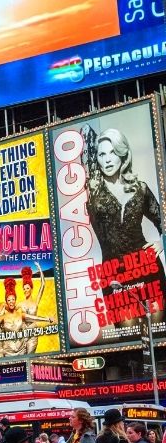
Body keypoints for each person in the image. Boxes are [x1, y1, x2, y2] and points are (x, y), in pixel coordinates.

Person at [84, 127, 165, 325]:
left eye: (113, 152)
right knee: (129, 338)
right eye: (102, 154)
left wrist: (162, 242)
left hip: (147, 267)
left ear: (122, 154)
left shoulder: (140, 189)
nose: (108, 159)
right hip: (113, 274)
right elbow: (86, 135)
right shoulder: (93, 194)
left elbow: (162, 221)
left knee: (159, 334)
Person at [0, 278, 55, 357]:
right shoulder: (2, 317)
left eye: (13, 299)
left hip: (21, 350)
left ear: (15, 300)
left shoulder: (19, 314)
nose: (11, 302)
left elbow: (34, 318)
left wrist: (48, 319)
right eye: (9, 300)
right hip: (5, 348)